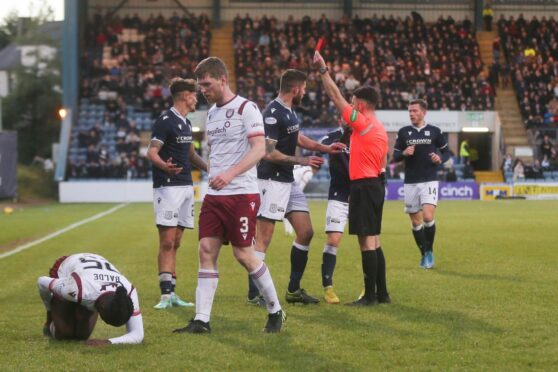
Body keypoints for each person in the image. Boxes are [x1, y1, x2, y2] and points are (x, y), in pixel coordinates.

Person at [172, 57, 285, 334]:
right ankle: (201, 320)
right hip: (215, 195)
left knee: (243, 254)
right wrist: (215, 172)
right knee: (206, 250)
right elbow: (219, 153)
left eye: (207, 84)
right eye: (200, 86)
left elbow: (260, 149)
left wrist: (231, 173)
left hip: (241, 193)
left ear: (223, 80)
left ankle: (275, 310)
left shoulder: (247, 108)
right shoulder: (211, 113)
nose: (203, 90)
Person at [247, 69, 346, 306]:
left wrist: (326, 148)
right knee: (264, 237)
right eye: (303, 88)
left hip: (287, 181)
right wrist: (302, 161)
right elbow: (268, 152)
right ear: (295, 88)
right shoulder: (272, 112)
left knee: (306, 231)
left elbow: (298, 138)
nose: (305, 92)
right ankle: (254, 293)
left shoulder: (289, 111)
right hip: (270, 180)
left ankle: (293, 290)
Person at [314, 51, 390, 306]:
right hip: (377, 183)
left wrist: (323, 70)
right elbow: (383, 161)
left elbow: (335, 96)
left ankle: (370, 296)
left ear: (363, 104)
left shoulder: (362, 122)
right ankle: (382, 293)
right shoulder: (378, 127)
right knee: (376, 240)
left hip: (364, 185)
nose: (351, 103)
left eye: (354, 100)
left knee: (366, 241)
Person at [147, 78, 208, 309]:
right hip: (168, 186)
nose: (197, 99)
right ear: (185, 96)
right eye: (194, 95)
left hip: (185, 187)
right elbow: (151, 152)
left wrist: (212, 169)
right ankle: (165, 294)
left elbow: (191, 155)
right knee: (167, 241)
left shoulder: (184, 122)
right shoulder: (165, 120)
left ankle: (172, 293)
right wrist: (165, 166)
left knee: (178, 241)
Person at [37, 253, 143, 345]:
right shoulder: (76, 289)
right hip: (66, 268)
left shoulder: (129, 293)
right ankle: (53, 323)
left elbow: (137, 334)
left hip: (89, 280)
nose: (105, 323)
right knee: (64, 333)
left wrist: (108, 342)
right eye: (105, 320)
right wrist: (49, 313)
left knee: (82, 336)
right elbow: (41, 281)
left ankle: (76, 311)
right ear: (101, 307)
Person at [393, 99, 450, 269]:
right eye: (410, 111)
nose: (411, 114)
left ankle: (430, 251)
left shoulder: (434, 131)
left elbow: (446, 152)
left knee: (427, 217)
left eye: (415, 111)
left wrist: (440, 158)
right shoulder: (403, 132)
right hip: (410, 182)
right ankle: (423, 253)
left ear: (424, 112)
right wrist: (404, 152)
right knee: (416, 222)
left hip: (429, 179)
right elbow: (395, 156)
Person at [319, 122, 352, 304]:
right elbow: (320, 146)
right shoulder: (333, 136)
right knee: (333, 241)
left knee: (369, 241)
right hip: (339, 195)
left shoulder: (363, 135)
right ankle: (328, 287)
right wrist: (330, 146)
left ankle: (370, 288)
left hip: (360, 194)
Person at [283, 164, 320, 235]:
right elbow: (300, 188)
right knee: (290, 209)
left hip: (283, 181)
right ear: (316, 170)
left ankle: (288, 231)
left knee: (286, 208)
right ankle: (289, 231)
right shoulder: (309, 172)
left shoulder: (301, 166)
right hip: (289, 185)